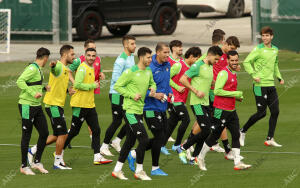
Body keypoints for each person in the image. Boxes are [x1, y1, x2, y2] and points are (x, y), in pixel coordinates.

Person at [197, 51, 251, 171]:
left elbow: (228, 91)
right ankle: (200, 157)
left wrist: (237, 97)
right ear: (227, 61)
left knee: (236, 134)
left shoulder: (234, 73)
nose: (234, 63)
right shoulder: (223, 73)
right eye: (232, 60)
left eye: (236, 60)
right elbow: (217, 91)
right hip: (221, 110)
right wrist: (234, 93)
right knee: (215, 135)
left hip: (231, 110)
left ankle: (237, 162)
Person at [112, 47, 156, 180]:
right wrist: (131, 95)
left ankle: (117, 170)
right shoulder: (130, 72)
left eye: (151, 57)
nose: (150, 59)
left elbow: (152, 82)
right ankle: (139, 171)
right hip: (130, 111)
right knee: (144, 139)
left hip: (139, 111)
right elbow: (117, 86)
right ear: (141, 57)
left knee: (129, 142)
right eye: (148, 57)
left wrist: (153, 88)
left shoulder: (148, 71)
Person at [28, 45, 75, 170]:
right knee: (63, 133)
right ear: (65, 55)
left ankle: (33, 150)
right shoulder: (59, 66)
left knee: (56, 135)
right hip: (53, 105)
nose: (74, 57)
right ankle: (57, 162)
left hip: (56, 105)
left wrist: (67, 91)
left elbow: (56, 85)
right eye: (72, 54)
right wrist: (53, 65)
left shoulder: (65, 69)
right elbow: (54, 69)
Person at [63, 48, 113, 165]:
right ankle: (59, 151)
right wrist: (92, 85)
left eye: (93, 56)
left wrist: (97, 78)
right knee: (74, 131)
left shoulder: (91, 68)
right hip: (79, 105)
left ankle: (97, 157)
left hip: (89, 105)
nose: (91, 57)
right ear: (85, 56)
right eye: (89, 55)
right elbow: (77, 84)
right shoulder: (82, 68)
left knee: (96, 129)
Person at [176, 46, 223, 164]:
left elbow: (207, 80)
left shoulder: (210, 66)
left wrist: (218, 84)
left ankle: (194, 158)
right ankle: (183, 147)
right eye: (216, 59)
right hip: (197, 103)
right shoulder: (197, 66)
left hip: (206, 102)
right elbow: (183, 79)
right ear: (210, 55)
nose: (217, 62)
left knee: (206, 130)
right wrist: (195, 91)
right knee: (206, 130)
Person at [240, 26, 284, 147]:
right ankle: (242, 131)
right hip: (259, 85)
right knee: (261, 113)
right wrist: (254, 75)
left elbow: (275, 65)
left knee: (275, 111)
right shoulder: (258, 49)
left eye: (267, 35)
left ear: (271, 36)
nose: (264, 38)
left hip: (271, 85)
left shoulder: (275, 50)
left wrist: (279, 77)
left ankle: (270, 138)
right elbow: (246, 62)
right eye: (263, 36)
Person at [100, 35, 137, 156]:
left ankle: (117, 141)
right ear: (126, 45)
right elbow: (116, 79)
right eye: (132, 44)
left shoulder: (131, 57)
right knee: (117, 121)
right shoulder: (121, 60)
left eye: (134, 43)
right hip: (116, 94)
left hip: (126, 94)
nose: (134, 46)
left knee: (131, 119)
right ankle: (104, 146)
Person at [16, 47, 50, 175]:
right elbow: (20, 81)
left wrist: (43, 88)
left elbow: (33, 84)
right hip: (26, 106)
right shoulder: (32, 68)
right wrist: (32, 92)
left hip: (36, 106)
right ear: (45, 58)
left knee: (44, 132)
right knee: (27, 135)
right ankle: (24, 166)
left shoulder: (38, 69)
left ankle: (36, 162)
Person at [163, 47, 202, 152]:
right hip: (175, 98)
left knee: (172, 123)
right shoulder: (178, 65)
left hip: (182, 99)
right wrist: (177, 87)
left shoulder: (191, 68)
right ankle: (177, 145)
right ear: (190, 56)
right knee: (186, 119)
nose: (197, 61)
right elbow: (166, 78)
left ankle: (161, 145)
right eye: (196, 59)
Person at [68, 39, 104, 148]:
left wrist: (101, 74)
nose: (93, 51)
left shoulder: (96, 59)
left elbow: (97, 71)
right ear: (85, 49)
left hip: (89, 94)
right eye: (90, 48)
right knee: (77, 128)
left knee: (93, 125)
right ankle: (63, 143)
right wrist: (74, 83)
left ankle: (96, 149)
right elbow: (68, 71)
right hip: (81, 96)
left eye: (95, 48)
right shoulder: (79, 62)